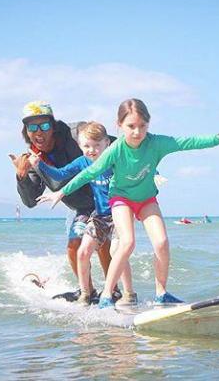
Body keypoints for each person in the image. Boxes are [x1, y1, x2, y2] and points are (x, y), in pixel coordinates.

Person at [37, 98, 219, 308]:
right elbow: (90, 172)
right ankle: (107, 296)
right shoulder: (115, 149)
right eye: (131, 126)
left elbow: (189, 142)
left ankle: (161, 294)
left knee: (162, 243)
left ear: (148, 124)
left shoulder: (156, 143)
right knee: (127, 243)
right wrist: (61, 193)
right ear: (119, 126)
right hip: (121, 199)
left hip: (147, 199)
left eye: (142, 126)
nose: (137, 132)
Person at [8, 101, 116, 301]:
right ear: (26, 131)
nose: (39, 132)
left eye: (45, 126)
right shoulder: (33, 159)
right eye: (32, 127)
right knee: (74, 246)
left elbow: (114, 144)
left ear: (53, 126)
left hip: (105, 199)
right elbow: (31, 201)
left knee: (102, 243)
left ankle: (114, 290)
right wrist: (22, 176)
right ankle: (88, 292)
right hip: (80, 206)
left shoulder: (76, 133)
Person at [29, 121, 136, 306]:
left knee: (117, 250)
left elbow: (137, 166)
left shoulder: (116, 159)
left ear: (107, 144)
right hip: (100, 217)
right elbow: (61, 174)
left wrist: (154, 174)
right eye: (86, 146)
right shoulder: (83, 162)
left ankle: (128, 294)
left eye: (97, 146)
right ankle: (86, 294)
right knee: (83, 252)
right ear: (80, 146)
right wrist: (39, 165)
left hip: (119, 213)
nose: (92, 150)